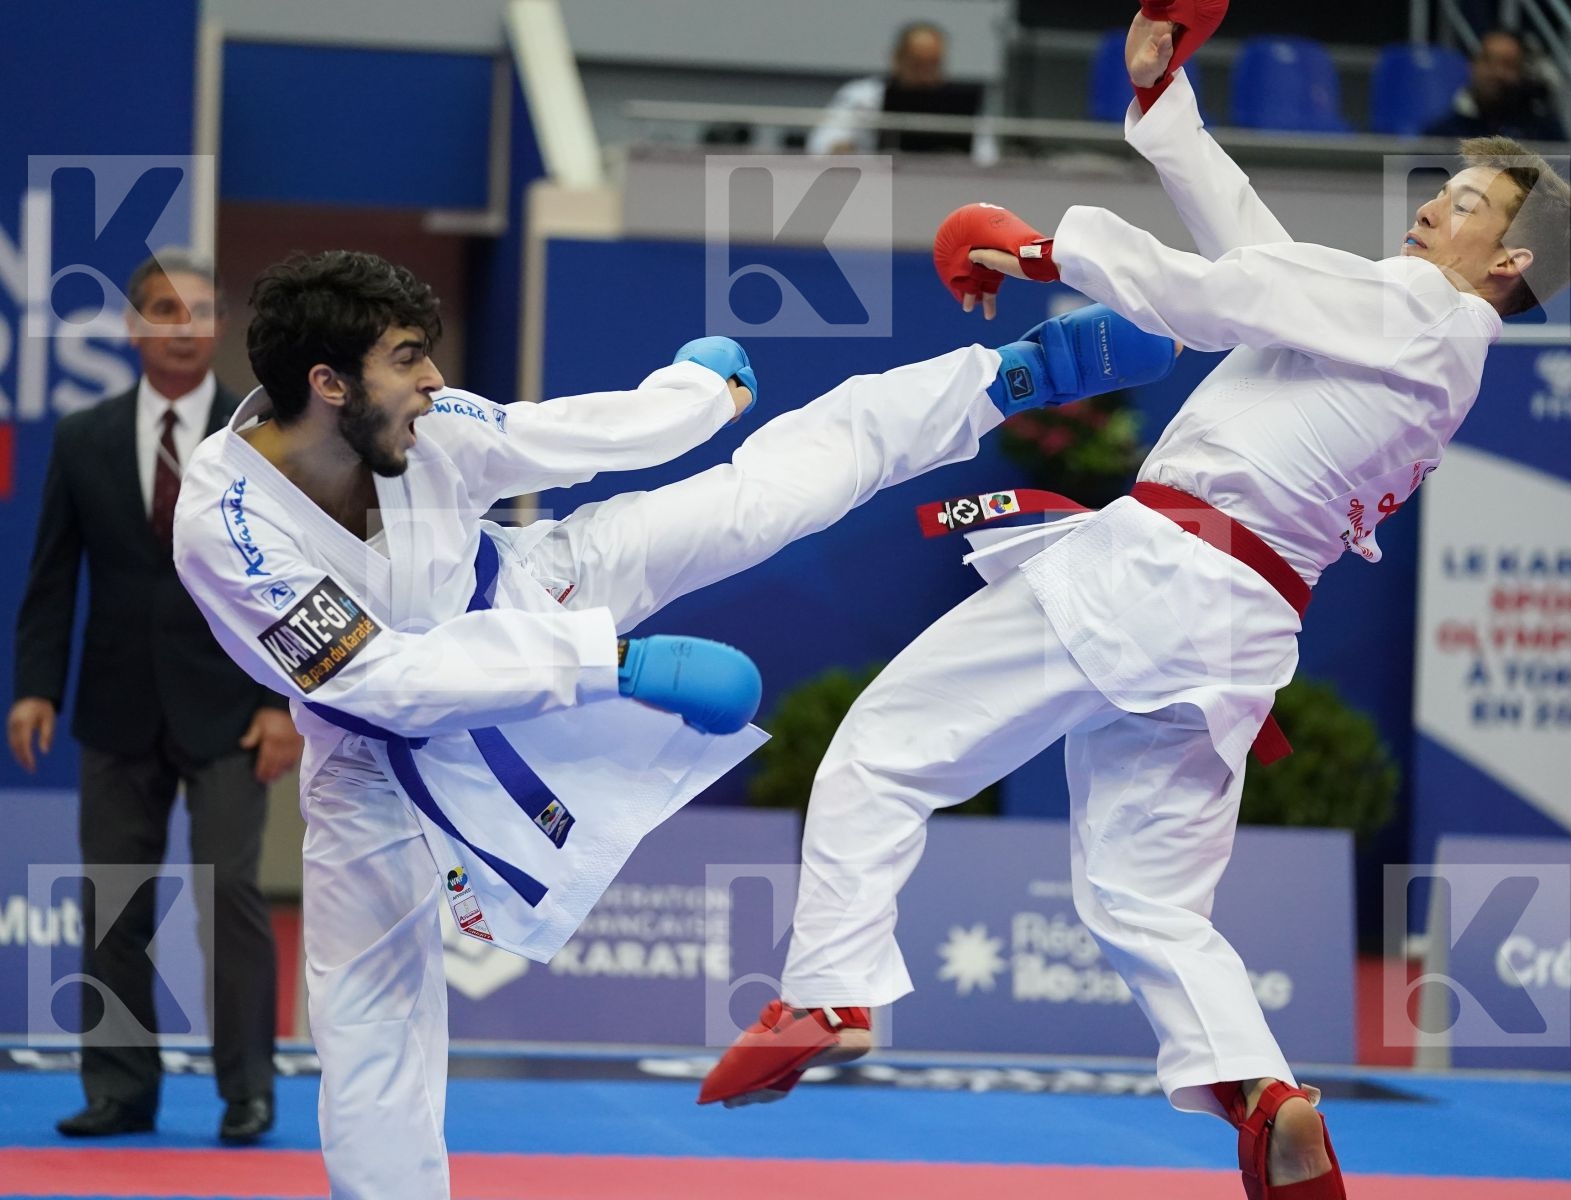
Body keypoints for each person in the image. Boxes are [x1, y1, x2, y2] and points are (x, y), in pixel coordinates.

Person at [700, 7, 1571, 1200]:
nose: (1435, 200)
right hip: (1236, 633)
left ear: (1509, 260)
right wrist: (1169, 108)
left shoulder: (1424, 312)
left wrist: (1044, 252)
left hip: (1157, 576)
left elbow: (1218, 298)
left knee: (884, 752)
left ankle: (830, 986)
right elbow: (1256, 259)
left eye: (1467, 202)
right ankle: (1261, 1095)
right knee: (1144, 899)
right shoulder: (1404, 329)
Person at [170, 249, 1173, 1198]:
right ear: (329, 384)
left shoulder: (420, 417)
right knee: (369, 1024)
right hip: (376, 760)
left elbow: (557, 435)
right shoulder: (228, 527)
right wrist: (613, 664)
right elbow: (380, 677)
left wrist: (692, 395)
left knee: (756, 499)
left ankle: (1006, 377)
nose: (433, 379)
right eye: (406, 359)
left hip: (530, 588)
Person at [9, 251, 299, 1144]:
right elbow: (54, 577)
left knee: (231, 899)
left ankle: (248, 1092)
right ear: (136, 328)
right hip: (116, 706)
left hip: (233, 710)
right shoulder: (84, 435)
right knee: (114, 902)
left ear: (218, 327)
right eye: (164, 310)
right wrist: (33, 689)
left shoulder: (262, 439)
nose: (182, 325)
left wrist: (285, 703)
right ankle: (120, 1091)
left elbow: (296, 581)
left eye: (200, 310)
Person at [807, 21, 1000, 165]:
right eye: (917, 64)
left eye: (933, 65)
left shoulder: (961, 104)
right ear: (896, 59)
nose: (925, 74)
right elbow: (821, 144)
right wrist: (841, 150)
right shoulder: (862, 96)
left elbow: (987, 158)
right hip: (877, 190)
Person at [1424, 28, 1569, 145]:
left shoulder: (1543, 131)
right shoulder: (1444, 134)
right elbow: (1420, 179)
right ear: (1472, 65)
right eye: (1488, 61)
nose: (1496, 73)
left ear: (1521, 73)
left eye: (1507, 65)